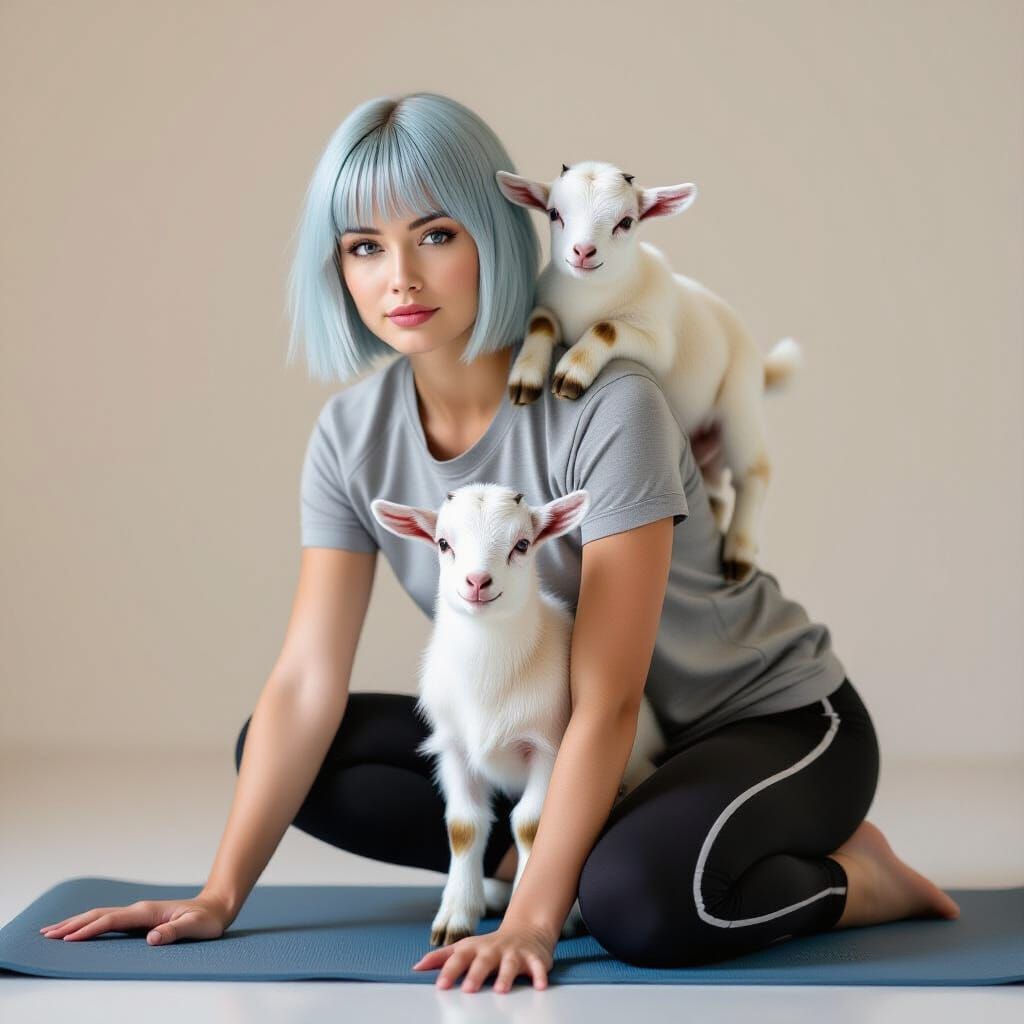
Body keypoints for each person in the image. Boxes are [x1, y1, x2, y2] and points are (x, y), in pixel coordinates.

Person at [39, 91, 960, 993]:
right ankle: (605, 846)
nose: (399, 277)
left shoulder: (609, 403)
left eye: (435, 235)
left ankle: (861, 879)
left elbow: (610, 695)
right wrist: (218, 895)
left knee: (639, 908)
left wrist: (531, 921)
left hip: (762, 721)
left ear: (497, 229)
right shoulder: (351, 436)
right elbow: (305, 680)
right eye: (365, 247)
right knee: (296, 754)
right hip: (579, 748)